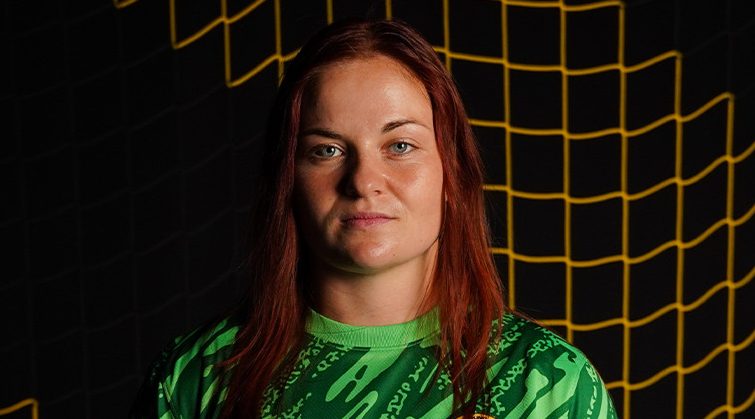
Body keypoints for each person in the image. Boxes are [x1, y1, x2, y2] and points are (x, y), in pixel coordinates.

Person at [130, 19, 617, 419]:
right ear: (288, 179)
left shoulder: (547, 384)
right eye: (327, 150)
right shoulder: (195, 378)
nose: (364, 180)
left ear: (452, 172)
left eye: (400, 145)